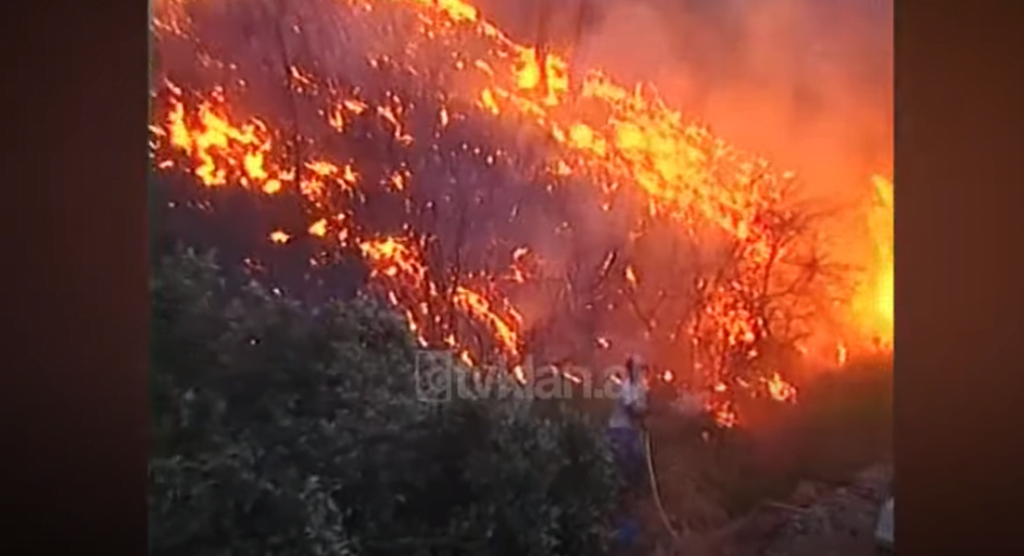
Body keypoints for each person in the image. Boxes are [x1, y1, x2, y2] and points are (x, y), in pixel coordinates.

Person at [607, 354, 649, 489]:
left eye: (641, 368)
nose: (640, 371)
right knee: (626, 462)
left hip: (631, 430)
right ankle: (625, 492)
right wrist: (645, 415)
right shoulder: (626, 387)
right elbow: (632, 410)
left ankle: (637, 491)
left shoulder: (641, 386)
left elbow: (643, 405)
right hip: (619, 430)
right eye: (637, 368)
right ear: (630, 370)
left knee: (639, 460)